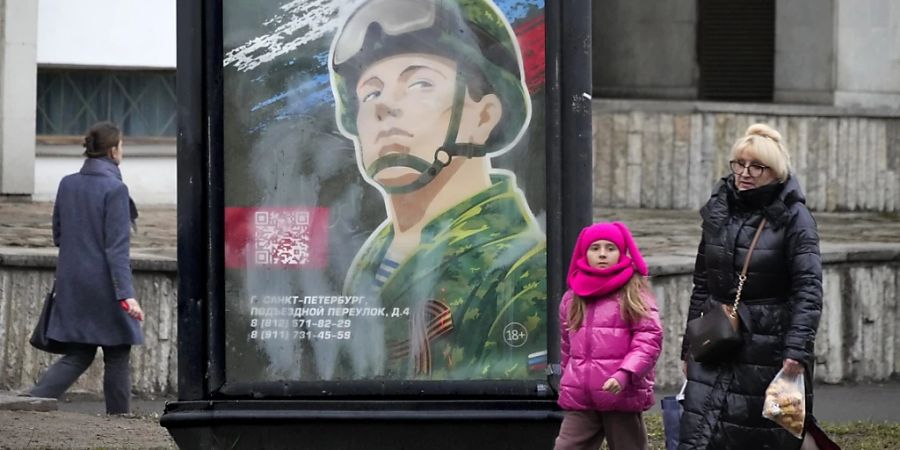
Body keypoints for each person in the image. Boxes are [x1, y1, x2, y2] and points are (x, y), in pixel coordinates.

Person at [329, 0, 546, 379]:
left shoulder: (519, 271)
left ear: (483, 117)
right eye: (370, 94)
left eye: (420, 83)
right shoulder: (374, 258)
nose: (385, 107)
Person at [678, 124, 832, 450]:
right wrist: (689, 345)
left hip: (769, 347)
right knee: (702, 432)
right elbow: (702, 282)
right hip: (716, 340)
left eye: (756, 167)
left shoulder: (794, 217)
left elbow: (808, 289)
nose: (745, 173)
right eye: (739, 164)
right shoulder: (718, 210)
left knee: (762, 434)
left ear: (775, 172)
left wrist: (796, 351)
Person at [28, 121, 144, 415]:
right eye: (122, 146)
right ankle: (120, 419)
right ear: (113, 150)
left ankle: (31, 402)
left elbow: (58, 234)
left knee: (79, 352)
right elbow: (116, 249)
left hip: (71, 282)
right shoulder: (116, 189)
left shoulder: (67, 183)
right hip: (105, 286)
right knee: (117, 352)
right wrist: (126, 295)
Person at [554, 222, 663, 450]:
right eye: (595, 248)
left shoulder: (634, 294)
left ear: (621, 252)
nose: (602, 254)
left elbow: (648, 341)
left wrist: (625, 374)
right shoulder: (572, 298)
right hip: (582, 399)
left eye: (610, 248)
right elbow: (567, 346)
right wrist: (568, 380)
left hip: (621, 396)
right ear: (585, 253)